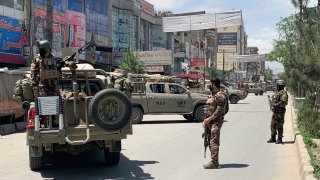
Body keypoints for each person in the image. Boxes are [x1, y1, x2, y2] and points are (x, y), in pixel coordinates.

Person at [202, 78, 229, 169]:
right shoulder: (212, 95)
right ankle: (213, 160)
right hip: (209, 122)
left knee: (214, 142)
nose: (210, 86)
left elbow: (219, 110)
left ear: (215, 85)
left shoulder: (220, 95)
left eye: (211, 84)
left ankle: (214, 162)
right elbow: (208, 109)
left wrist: (209, 119)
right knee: (210, 141)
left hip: (216, 122)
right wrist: (205, 120)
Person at [267, 79, 288, 144]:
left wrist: (275, 105)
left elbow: (283, 102)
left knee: (279, 125)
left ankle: (279, 139)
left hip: (280, 112)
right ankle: (273, 138)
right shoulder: (278, 92)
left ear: (279, 85)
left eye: (277, 85)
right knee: (273, 124)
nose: (277, 86)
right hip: (275, 111)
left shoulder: (283, 93)